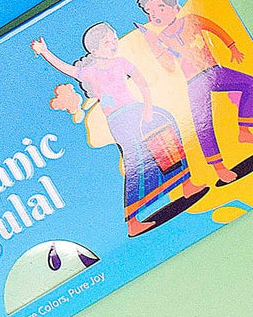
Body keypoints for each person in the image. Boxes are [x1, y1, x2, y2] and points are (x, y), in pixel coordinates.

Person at [32, 25, 200, 235]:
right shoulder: (90, 72)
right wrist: (45, 51)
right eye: (106, 42)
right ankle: (133, 220)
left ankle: (186, 183)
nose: (113, 44)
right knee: (136, 159)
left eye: (114, 39)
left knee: (165, 124)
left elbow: (142, 84)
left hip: (137, 109)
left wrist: (148, 108)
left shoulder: (121, 62)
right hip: (119, 119)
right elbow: (67, 69)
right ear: (94, 50)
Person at [137, 0, 253, 185]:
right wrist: (155, 46)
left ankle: (244, 130)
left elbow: (215, 29)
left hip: (214, 72)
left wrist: (232, 46)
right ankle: (219, 168)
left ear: (176, 8)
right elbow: (168, 66)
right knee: (203, 123)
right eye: (150, 11)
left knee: (249, 83)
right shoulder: (160, 38)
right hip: (195, 83)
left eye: (160, 8)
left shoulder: (191, 20)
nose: (155, 15)